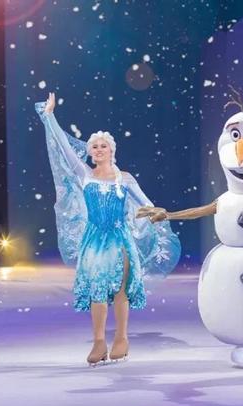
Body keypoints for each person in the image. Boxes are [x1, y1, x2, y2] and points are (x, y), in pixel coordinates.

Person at [36, 92, 181, 366]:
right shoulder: (85, 175)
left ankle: (122, 338)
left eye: (104, 145)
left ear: (112, 150)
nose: (99, 149)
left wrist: (154, 214)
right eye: (95, 146)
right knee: (97, 289)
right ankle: (99, 341)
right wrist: (50, 116)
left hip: (120, 238)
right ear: (90, 152)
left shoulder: (124, 179)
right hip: (93, 240)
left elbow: (147, 204)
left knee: (120, 289)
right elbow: (62, 145)